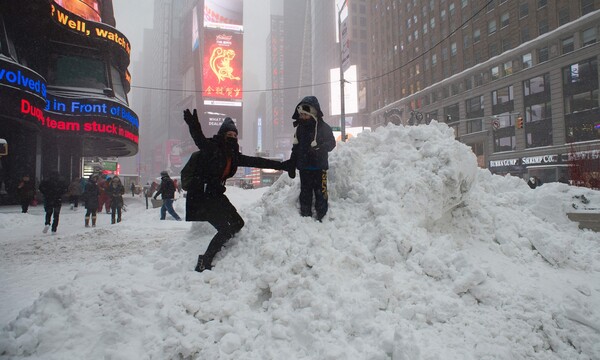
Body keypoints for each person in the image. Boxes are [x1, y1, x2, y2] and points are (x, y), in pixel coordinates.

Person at [182, 110, 294, 272]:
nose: (232, 137)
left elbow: (257, 161)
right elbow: (199, 139)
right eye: (229, 133)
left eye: (235, 135)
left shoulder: (233, 156)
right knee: (226, 228)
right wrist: (194, 125)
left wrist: (282, 165)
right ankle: (204, 260)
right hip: (203, 197)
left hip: (216, 196)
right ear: (222, 134)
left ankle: (214, 252)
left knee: (237, 223)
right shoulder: (212, 148)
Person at [289, 96, 336, 221]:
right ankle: (305, 217)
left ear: (313, 113)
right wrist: (292, 164)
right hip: (304, 168)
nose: (303, 117)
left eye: (306, 114)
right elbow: (295, 148)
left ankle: (322, 217)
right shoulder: (299, 129)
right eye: (301, 115)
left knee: (321, 193)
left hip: (320, 168)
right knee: (305, 193)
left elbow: (332, 143)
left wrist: (320, 148)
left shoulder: (324, 127)